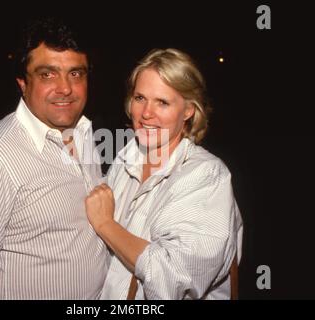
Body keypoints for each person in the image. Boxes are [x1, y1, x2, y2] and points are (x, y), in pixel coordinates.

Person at [0, 18, 108, 299]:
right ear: (23, 83)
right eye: (47, 75)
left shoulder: (85, 135)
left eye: (76, 74)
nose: (65, 88)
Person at [85, 48, 243, 299]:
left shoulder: (206, 175)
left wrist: (106, 224)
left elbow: (170, 277)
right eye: (140, 98)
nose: (146, 113)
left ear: (189, 110)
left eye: (163, 102)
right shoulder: (127, 157)